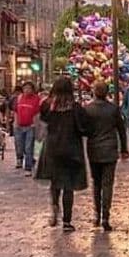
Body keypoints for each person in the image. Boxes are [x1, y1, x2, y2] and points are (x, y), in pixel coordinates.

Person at [36, 76, 88, 232]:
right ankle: (67, 221)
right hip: (71, 149)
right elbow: (83, 128)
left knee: (55, 182)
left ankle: (54, 204)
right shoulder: (75, 108)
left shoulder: (47, 105)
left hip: (52, 148)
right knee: (68, 185)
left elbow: (43, 121)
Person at [83, 80, 129, 231]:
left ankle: (97, 214)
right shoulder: (113, 109)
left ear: (94, 91)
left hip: (94, 149)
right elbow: (122, 130)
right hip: (109, 149)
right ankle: (105, 216)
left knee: (96, 183)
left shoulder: (88, 109)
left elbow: (84, 130)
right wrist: (124, 149)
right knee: (107, 184)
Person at [13, 80, 42, 172]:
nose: (26, 90)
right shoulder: (19, 98)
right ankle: (19, 159)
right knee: (19, 145)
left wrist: (35, 125)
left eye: (29, 88)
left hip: (30, 126)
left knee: (28, 146)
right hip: (19, 126)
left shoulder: (36, 99)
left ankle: (28, 167)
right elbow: (16, 111)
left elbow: (37, 113)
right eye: (25, 88)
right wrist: (15, 123)